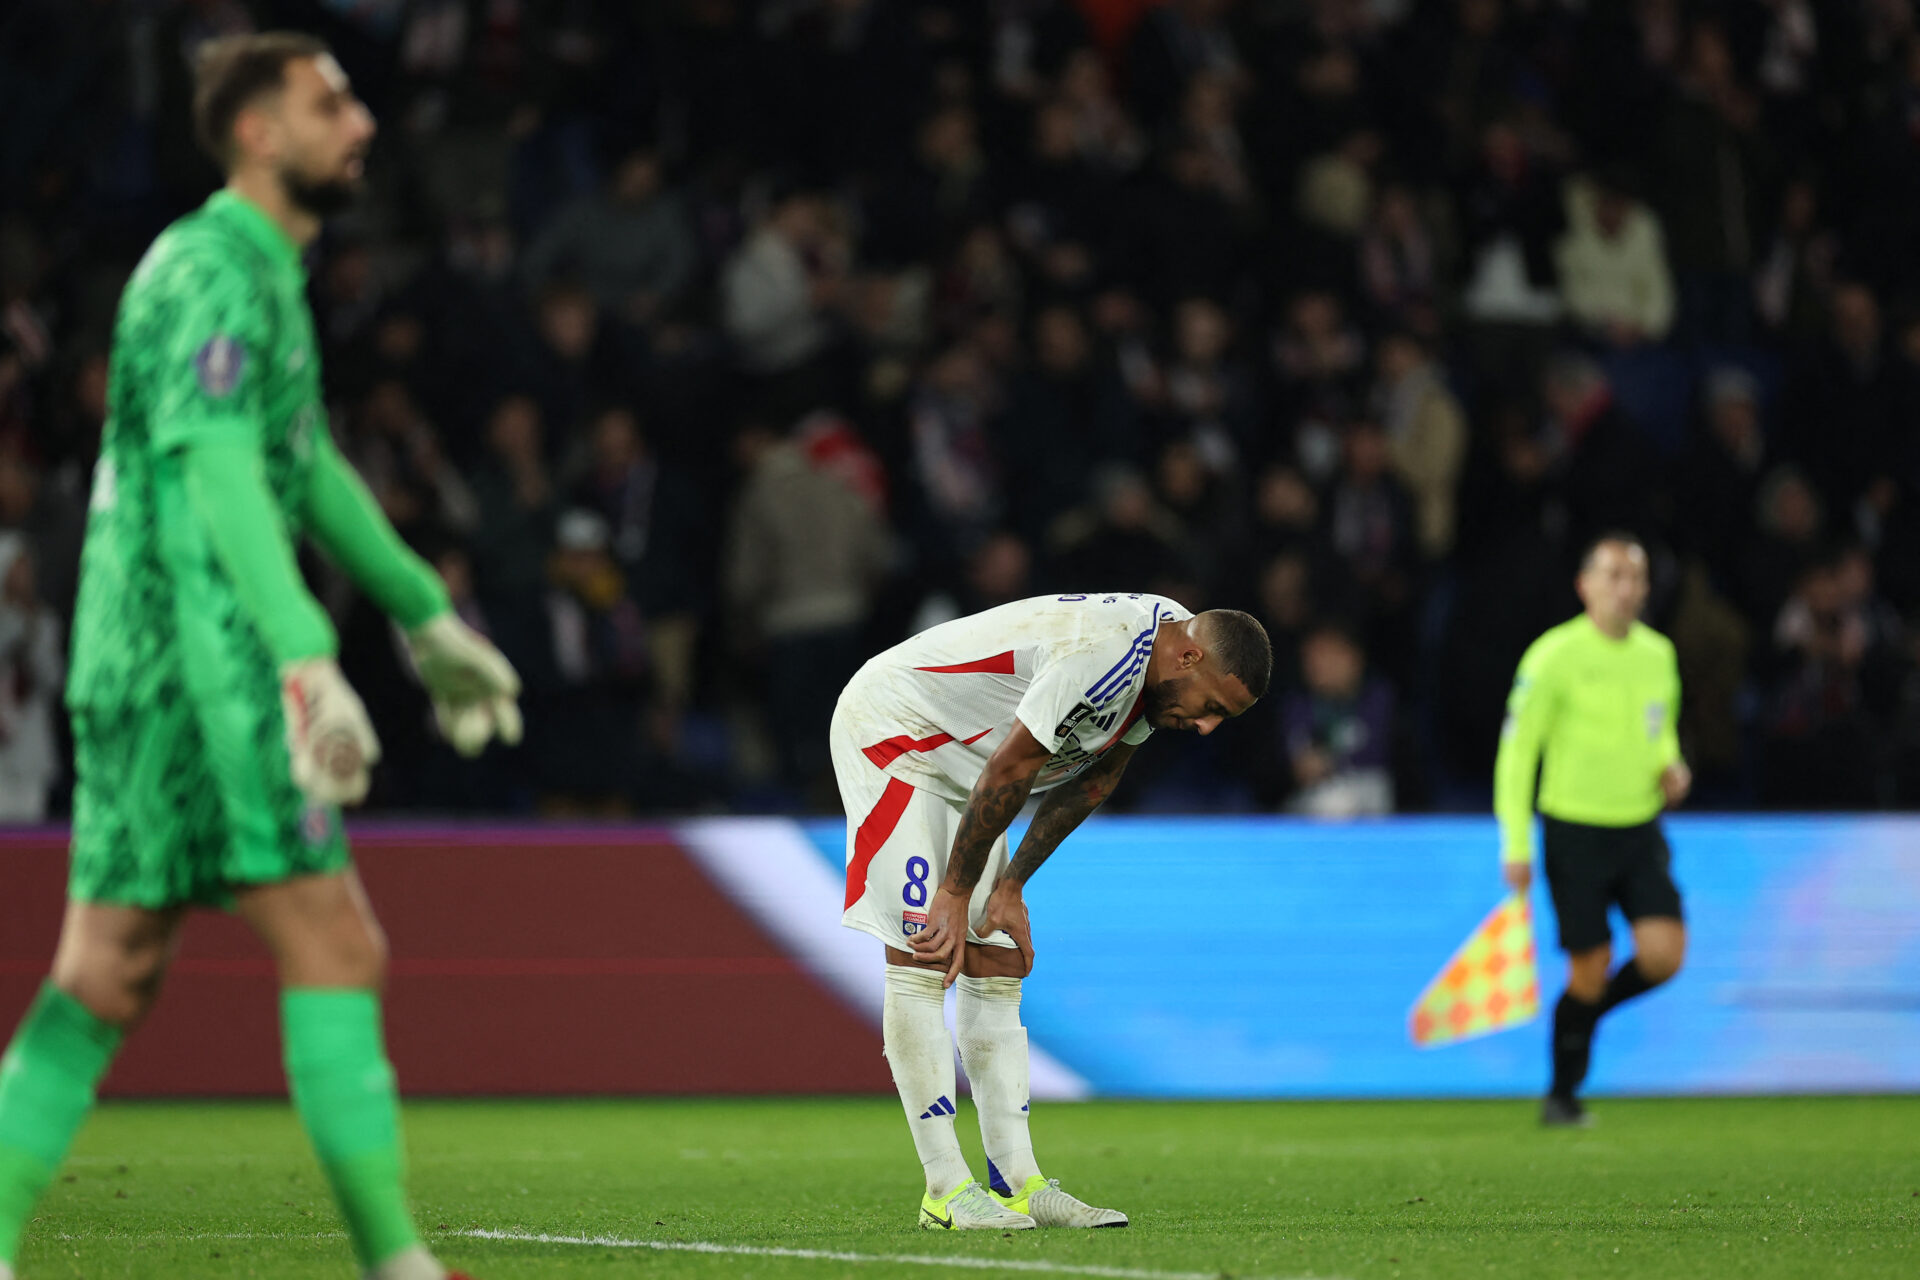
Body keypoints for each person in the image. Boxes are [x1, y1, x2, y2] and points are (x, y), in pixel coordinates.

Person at [0, 35, 521, 1280]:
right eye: (328, 103)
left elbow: (304, 465)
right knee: (336, 944)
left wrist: (421, 612)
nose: (362, 125)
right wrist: (302, 654)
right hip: (205, 672)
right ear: (256, 132)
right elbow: (222, 474)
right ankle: (398, 1262)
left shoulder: (250, 276)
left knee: (108, 973)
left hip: (142, 667)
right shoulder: (212, 273)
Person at [833, 594, 1271, 1228]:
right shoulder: (1100, 654)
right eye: (1211, 707)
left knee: (998, 959)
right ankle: (945, 1191)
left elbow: (1096, 778)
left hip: (970, 766)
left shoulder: (1160, 661)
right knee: (923, 950)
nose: (1206, 726)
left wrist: (1010, 884)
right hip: (900, 736)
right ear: (1190, 656)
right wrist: (954, 893)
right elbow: (1016, 765)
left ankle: (1017, 1183)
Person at [1494, 534, 1690, 1128]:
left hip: (1637, 826)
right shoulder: (1552, 656)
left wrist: (1671, 765)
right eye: (1614, 576)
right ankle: (1561, 1094)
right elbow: (1518, 752)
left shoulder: (1657, 654)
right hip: (1573, 829)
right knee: (1590, 965)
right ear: (1585, 585)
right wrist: (1517, 842)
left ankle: (1583, 1018)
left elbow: (1661, 728)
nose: (1626, 588)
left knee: (1663, 955)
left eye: (1636, 577)